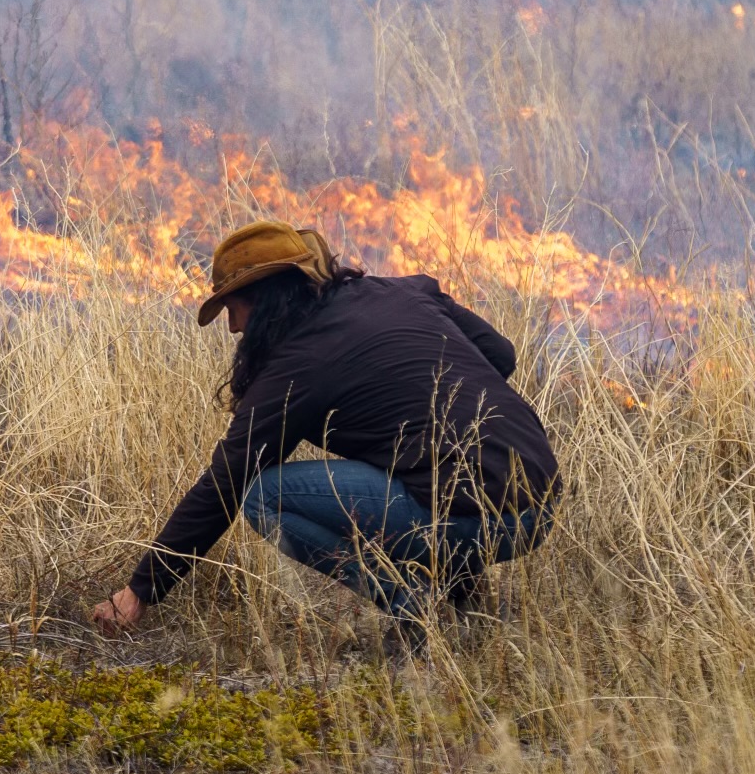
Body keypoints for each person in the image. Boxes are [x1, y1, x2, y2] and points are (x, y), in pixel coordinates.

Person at [88, 220, 560, 644]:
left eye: (233, 308)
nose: (232, 328)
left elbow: (226, 483)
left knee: (262, 495)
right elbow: (501, 355)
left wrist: (141, 590)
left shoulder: (300, 363)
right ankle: (465, 602)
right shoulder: (406, 291)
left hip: (483, 519)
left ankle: (416, 607)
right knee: (425, 469)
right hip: (539, 503)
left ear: (267, 299)